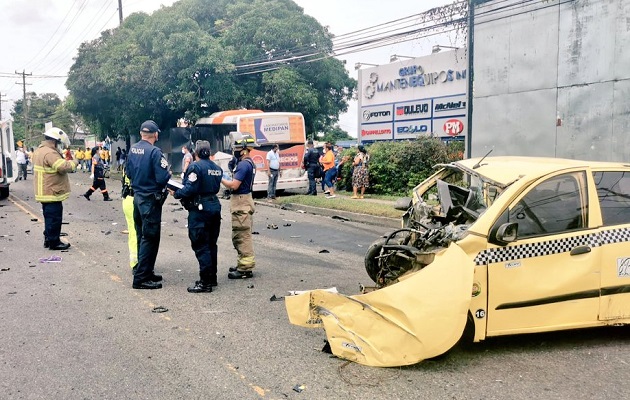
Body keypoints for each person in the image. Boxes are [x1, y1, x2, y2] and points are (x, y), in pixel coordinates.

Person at [169, 140, 222, 293]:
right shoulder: (217, 168)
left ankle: (205, 282)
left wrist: (176, 193)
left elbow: (189, 188)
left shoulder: (195, 167)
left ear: (196, 153)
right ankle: (212, 278)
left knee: (201, 245)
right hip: (214, 207)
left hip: (200, 210)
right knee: (212, 244)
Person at [125, 120, 171, 290]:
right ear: (156, 134)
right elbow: (162, 178)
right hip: (150, 200)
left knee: (141, 236)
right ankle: (141, 278)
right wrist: (168, 173)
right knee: (150, 237)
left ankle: (146, 271)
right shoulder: (154, 152)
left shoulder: (132, 149)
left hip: (137, 198)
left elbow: (128, 173)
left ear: (141, 134)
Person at [32, 127, 77, 250]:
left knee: (49, 218)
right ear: (55, 141)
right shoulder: (50, 153)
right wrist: (74, 162)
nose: (58, 145)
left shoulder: (40, 150)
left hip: (44, 190)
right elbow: (63, 167)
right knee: (54, 219)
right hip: (51, 191)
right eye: (58, 143)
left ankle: (48, 239)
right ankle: (54, 242)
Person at [221, 132, 258, 279]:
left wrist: (221, 178)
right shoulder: (248, 163)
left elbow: (234, 185)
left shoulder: (243, 165)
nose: (234, 150)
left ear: (243, 149)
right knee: (239, 235)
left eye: (236, 148)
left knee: (242, 236)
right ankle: (242, 263)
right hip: (245, 199)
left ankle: (245, 269)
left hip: (241, 201)